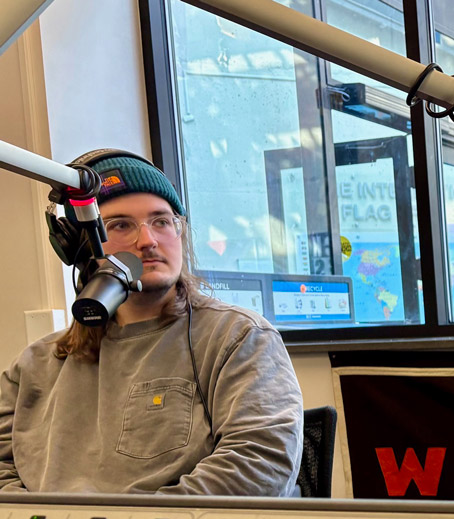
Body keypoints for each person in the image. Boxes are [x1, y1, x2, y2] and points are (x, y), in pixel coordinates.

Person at [0, 151, 303, 495]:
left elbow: (259, 464)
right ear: (80, 248)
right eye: (120, 225)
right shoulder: (34, 365)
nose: (147, 241)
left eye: (161, 221)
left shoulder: (238, 339)